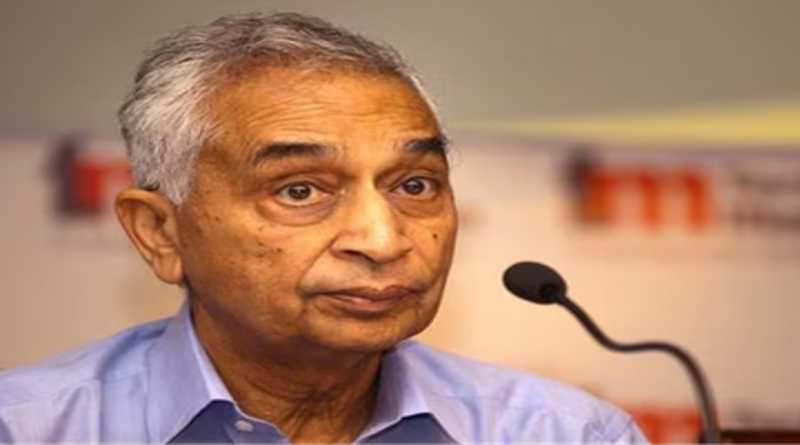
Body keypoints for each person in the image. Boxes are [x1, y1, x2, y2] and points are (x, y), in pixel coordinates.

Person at [0, 12, 647, 443]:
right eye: (300, 190)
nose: (383, 240)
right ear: (160, 233)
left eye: (414, 185)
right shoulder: (31, 429)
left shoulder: (563, 434)